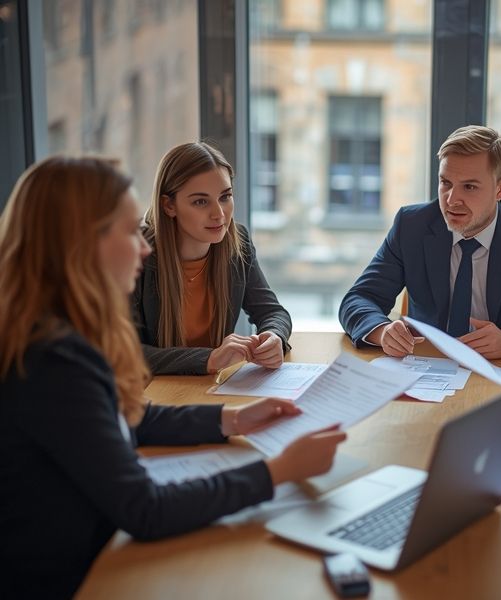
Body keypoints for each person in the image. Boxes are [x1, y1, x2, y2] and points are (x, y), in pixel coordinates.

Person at [0, 157, 346, 598]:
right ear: (81, 244)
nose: (143, 248)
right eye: (129, 232)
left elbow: (121, 420)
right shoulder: (53, 360)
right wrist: (275, 471)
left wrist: (232, 421)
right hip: (68, 576)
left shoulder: (52, 329)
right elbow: (147, 509)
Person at [339, 125, 501, 359]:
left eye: (469, 187)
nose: (451, 200)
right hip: (426, 370)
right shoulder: (413, 226)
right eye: (445, 183)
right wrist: (382, 331)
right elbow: (359, 299)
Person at [133, 141, 291, 375]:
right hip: (151, 394)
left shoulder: (238, 243)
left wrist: (275, 336)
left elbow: (272, 312)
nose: (219, 214)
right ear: (169, 205)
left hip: (209, 387)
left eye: (225, 197)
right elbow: (126, 351)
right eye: (200, 201)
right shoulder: (136, 254)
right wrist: (207, 359)